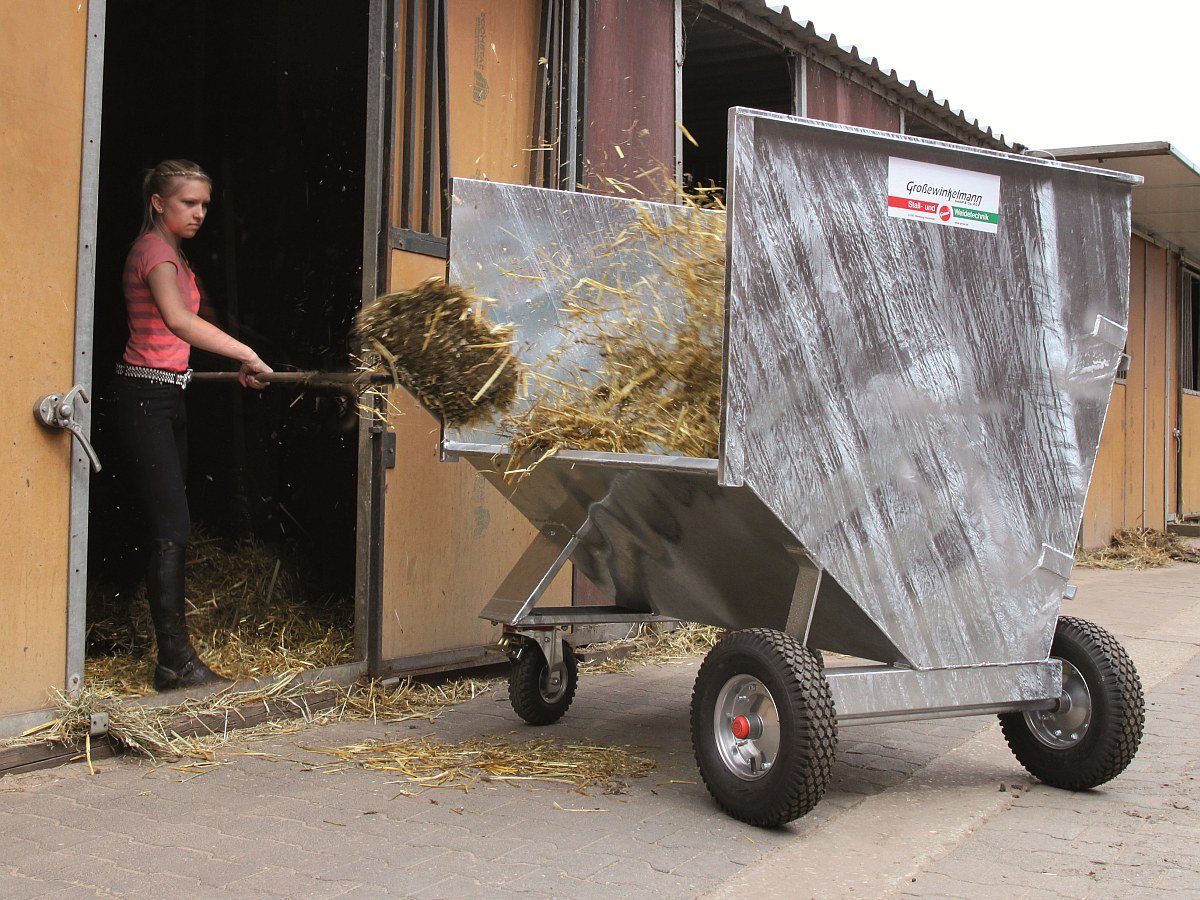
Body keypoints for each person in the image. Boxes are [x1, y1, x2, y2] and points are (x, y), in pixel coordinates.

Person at [112, 159, 273, 691]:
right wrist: (245, 352)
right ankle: (174, 662)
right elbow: (177, 321)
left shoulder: (174, 253)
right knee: (170, 529)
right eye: (189, 202)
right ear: (159, 202)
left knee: (167, 525)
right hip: (146, 397)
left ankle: (165, 653)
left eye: (205, 204)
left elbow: (170, 345)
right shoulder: (154, 251)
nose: (200, 213)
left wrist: (232, 371)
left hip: (165, 392)